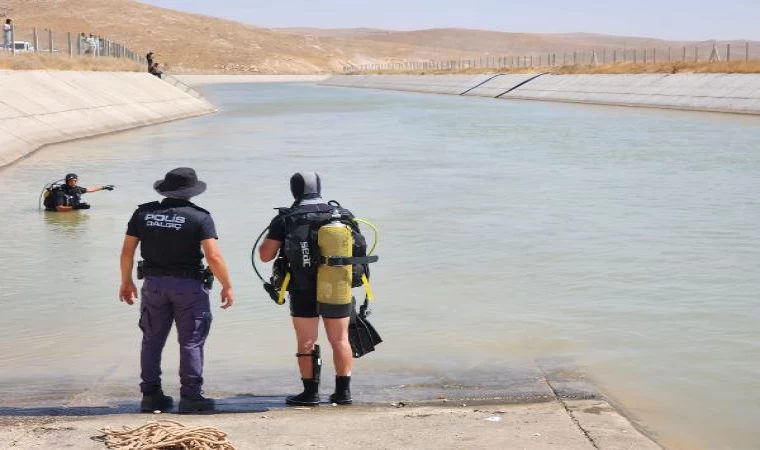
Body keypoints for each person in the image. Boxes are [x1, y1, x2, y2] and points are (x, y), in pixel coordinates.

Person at [119, 167, 234, 413]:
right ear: (191, 192)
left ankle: (150, 396)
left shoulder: (144, 213)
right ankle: (191, 397)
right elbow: (213, 256)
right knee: (191, 342)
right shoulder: (199, 217)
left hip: (154, 285)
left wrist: (126, 281)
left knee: (151, 340)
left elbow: (127, 250)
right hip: (189, 287)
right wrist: (227, 285)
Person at [259, 172, 360, 406]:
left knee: (306, 340)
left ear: (294, 190)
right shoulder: (341, 215)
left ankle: (310, 394)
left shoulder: (286, 218)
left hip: (302, 287)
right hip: (337, 285)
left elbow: (265, 256)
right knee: (340, 339)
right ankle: (343, 393)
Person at [46, 173, 114, 212]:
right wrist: (76, 207)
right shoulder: (59, 192)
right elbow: (59, 208)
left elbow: (89, 189)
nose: (73, 183)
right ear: (67, 181)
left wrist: (104, 187)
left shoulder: (77, 189)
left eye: (75, 181)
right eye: (71, 181)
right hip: (55, 213)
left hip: (71, 210)